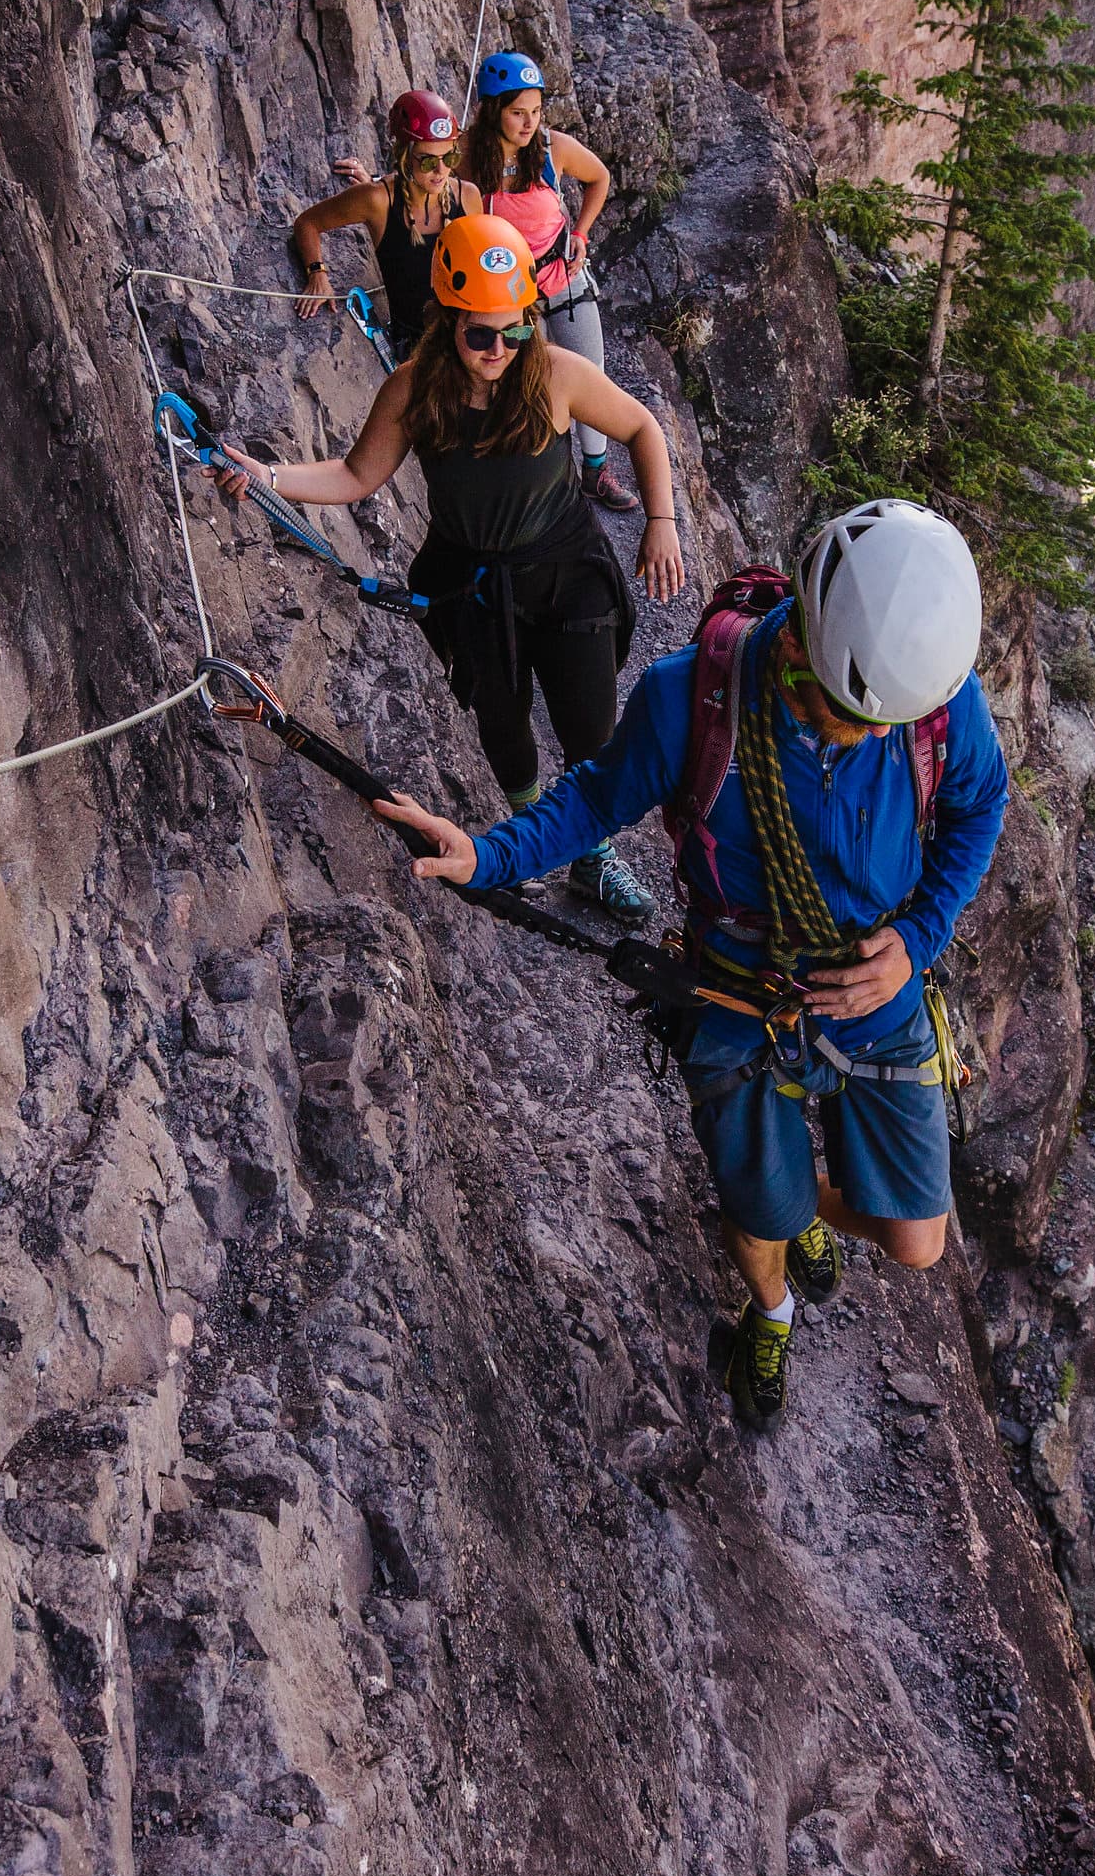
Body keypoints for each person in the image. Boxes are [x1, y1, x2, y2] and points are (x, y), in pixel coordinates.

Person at [373, 500, 1010, 1428]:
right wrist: (487, 854)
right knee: (762, 1218)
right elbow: (595, 801)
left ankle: (797, 1210)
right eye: (856, 717)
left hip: (876, 986)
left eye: (891, 720)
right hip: (741, 988)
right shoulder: (693, 701)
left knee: (916, 1242)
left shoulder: (925, 694)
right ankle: (772, 1306)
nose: (880, 737)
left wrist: (916, 941)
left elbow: (979, 805)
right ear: (804, 652)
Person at [215, 212, 686, 920]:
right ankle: (529, 837)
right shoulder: (414, 389)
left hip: (566, 571)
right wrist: (269, 478)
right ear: (447, 320)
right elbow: (355, 475)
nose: (499, 349)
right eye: (479, 334)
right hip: (474, 583)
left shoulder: (556, 375)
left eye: (514, 330)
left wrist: (661, 523)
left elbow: (642, 427)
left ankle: (590, 853)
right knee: (503, 724)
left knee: (590, 727)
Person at [464, 50, 638, 511]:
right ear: (493, 111)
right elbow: (423, 182)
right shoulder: (468, 158)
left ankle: (596, 472)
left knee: (590, 373)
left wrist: (580, 233)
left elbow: (599, 178)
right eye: (518, 112)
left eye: (536, 111)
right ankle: (545, 480)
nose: (529, 123)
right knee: (528, 384)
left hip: (562, 278)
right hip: (509, 298)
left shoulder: (550, 149)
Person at [288, 88, 478, 356]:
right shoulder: (377, 201)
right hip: (415, 345)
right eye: (428, 162)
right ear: (405, 155)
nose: (441, 171)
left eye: (449, 158)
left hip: (466, 337)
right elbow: (307, 223)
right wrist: (317, 273)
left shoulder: (467, 196)